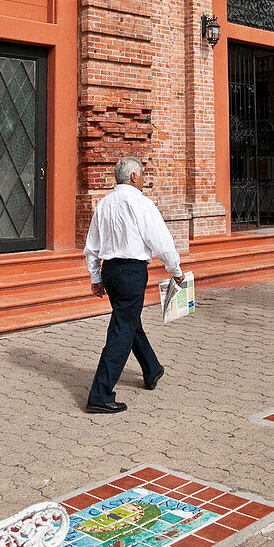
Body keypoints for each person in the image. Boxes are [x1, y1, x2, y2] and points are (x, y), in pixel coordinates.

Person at [84, 156, 186, 414]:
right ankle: (100, 393)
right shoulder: (141, 203)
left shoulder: (104, 204)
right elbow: (161, 241)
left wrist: (96, 278)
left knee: (127, 320)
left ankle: (152, 369)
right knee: (122, 329)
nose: (143, 179)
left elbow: (91, 247)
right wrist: (175, 270)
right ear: (132, 177)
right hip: (131, 272)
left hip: (111, 271)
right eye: (141, 174)